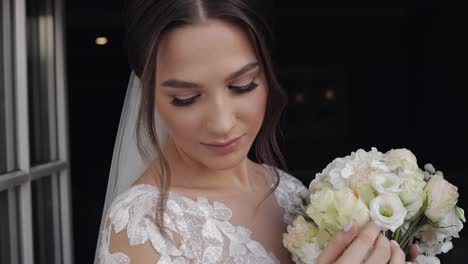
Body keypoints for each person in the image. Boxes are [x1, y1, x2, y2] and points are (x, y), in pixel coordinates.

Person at [94, 1, 418, 263]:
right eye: (185, 99)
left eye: (242, 86)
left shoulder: (290, 193)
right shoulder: (143, 226)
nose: (221, 124)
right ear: (148, 94)